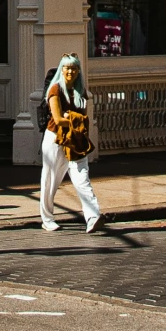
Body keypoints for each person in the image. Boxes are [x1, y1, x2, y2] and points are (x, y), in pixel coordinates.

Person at [38, 55, 103, 234]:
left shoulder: (80, 91)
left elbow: (80, 115)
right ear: (61, 69)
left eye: (74, 68)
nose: (70, 71)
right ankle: (47, 218)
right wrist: (75, 119)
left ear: (78, 71)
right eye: (67, 68)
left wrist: (74, 119)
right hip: (55, 139)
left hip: (75, 138)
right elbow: (58, 119)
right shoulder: (55, 89)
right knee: (51, 178)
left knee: (82, 176)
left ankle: (93, 216)